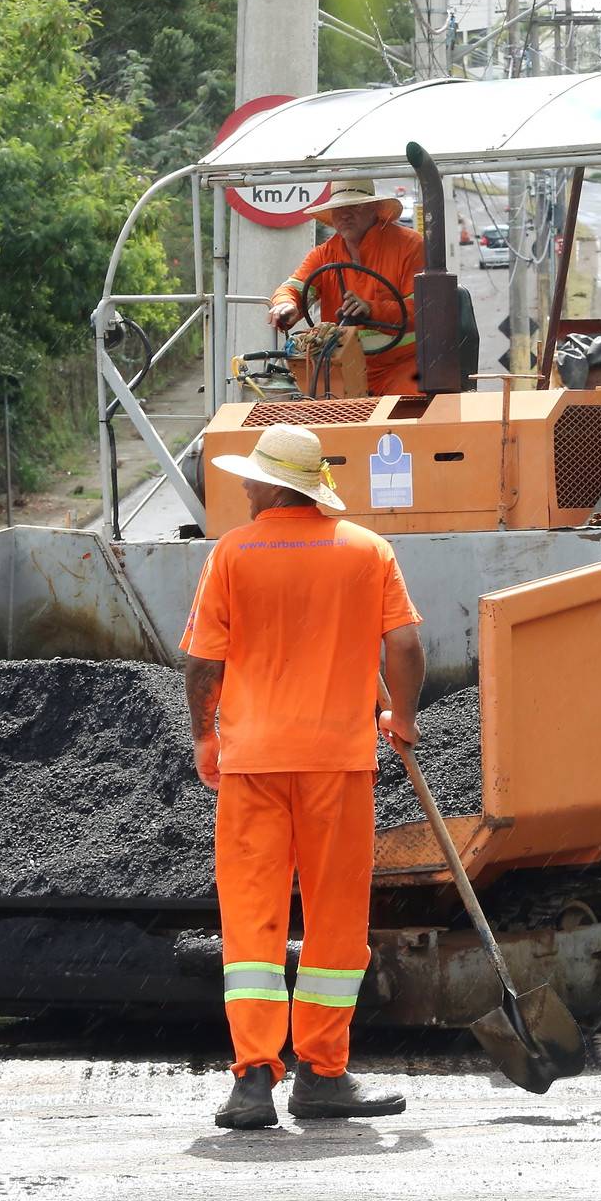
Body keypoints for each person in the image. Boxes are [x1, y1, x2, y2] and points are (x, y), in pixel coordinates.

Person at [181, 423, 428, 1130]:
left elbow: (203, 661)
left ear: (270, 486)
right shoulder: (365, 551)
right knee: (334, 920)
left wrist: (206, 735)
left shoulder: (232, 553)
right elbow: (405, 643)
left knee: (252, 920)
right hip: (338, 764)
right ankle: (321, 1073)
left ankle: (253, 1078)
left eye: (251, 477)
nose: (245, 485)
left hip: (253, 764)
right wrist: (402, 720)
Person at [268, 180, 426, 397]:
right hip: (339, 368)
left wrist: (371, 309)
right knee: (315, 414)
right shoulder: (323, 255)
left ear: (375, 209)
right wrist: (286, 304)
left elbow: (422, 310)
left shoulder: (410, 246)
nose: (345, 214)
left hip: (403, 367)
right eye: (339, 208)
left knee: (410, 413)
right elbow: (292, 288)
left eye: (356, 206)